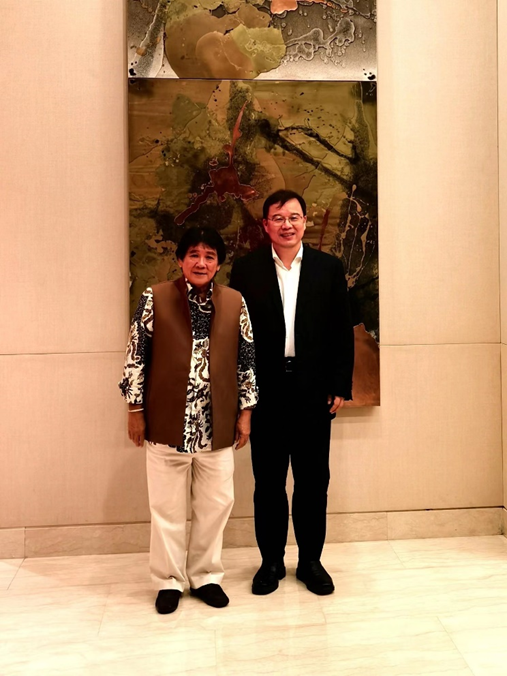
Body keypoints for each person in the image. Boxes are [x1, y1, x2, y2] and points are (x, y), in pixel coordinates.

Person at [119, 226, 258, 614]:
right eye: (193, 254)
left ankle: (206, 576)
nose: (201, 262)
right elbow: (135, 355)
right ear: (180, 260)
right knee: (166, 509)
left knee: (217, 505)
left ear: (218, 264)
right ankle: (168, 581)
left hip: (218, 425)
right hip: (167, 425)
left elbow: (247, 359)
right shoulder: (155, 297)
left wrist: (246, 412)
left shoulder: (235, 302)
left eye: (209, 256)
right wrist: (134, 410)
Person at [229, 190, 354, 596]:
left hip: (313, 389)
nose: (287, 224)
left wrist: (340, 383)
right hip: (266, 389)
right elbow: (236, 335)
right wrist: (242, 392)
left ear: (305, 222)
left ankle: (311, 561)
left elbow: (341, 330)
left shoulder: (328, 268)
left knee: (313, 481)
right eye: (278, 218)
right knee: (267, 482)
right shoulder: (246, 269)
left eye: (294, 217)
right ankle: (271, 562)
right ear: (266, 224)